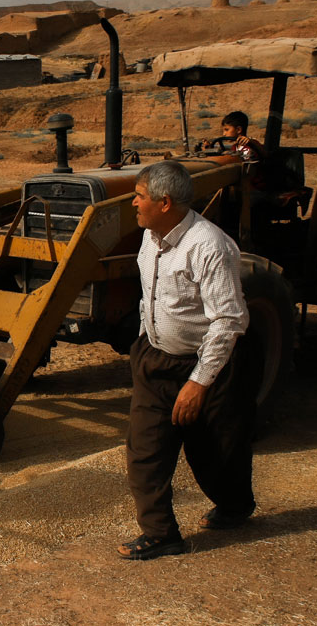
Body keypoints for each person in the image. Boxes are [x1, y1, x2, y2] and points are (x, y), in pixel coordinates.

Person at [118, 160, 254, 560]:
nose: (133, 204)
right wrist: (145, 342)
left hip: (206, 367)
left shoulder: (210, 246)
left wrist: (198, 383)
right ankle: (162, 534)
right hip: (155, 360)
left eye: (139, 196)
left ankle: (235, 505)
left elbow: (229, 320)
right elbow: (151, 293)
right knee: (144, 451)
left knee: (214, 452)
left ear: (164, 202)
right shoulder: (150, 235)